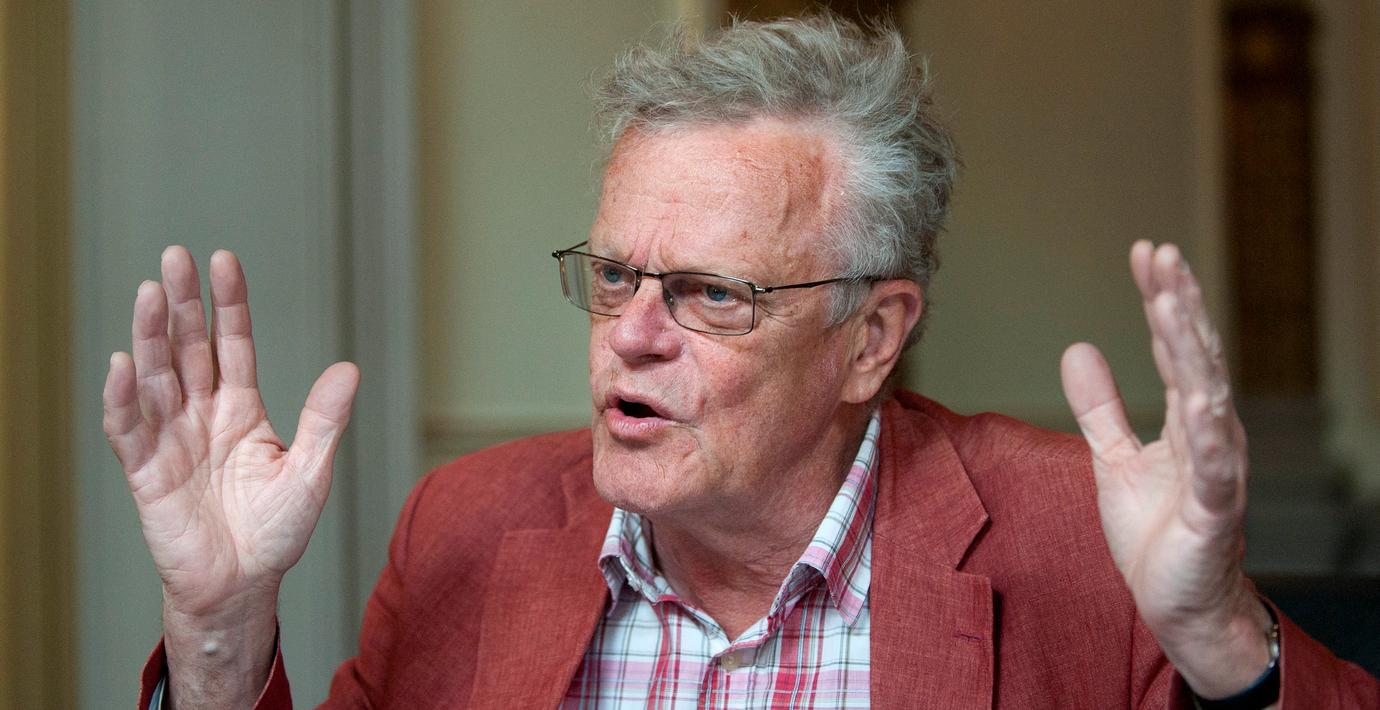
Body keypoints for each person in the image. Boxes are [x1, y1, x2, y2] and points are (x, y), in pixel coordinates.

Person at [106, 15, 1376, 709]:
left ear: (871, 337)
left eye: (712, 292)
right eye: (615, 274)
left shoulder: (1071, 536)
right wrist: (219, 632)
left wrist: (1217, 635)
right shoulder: (467, 527)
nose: (631, 331)